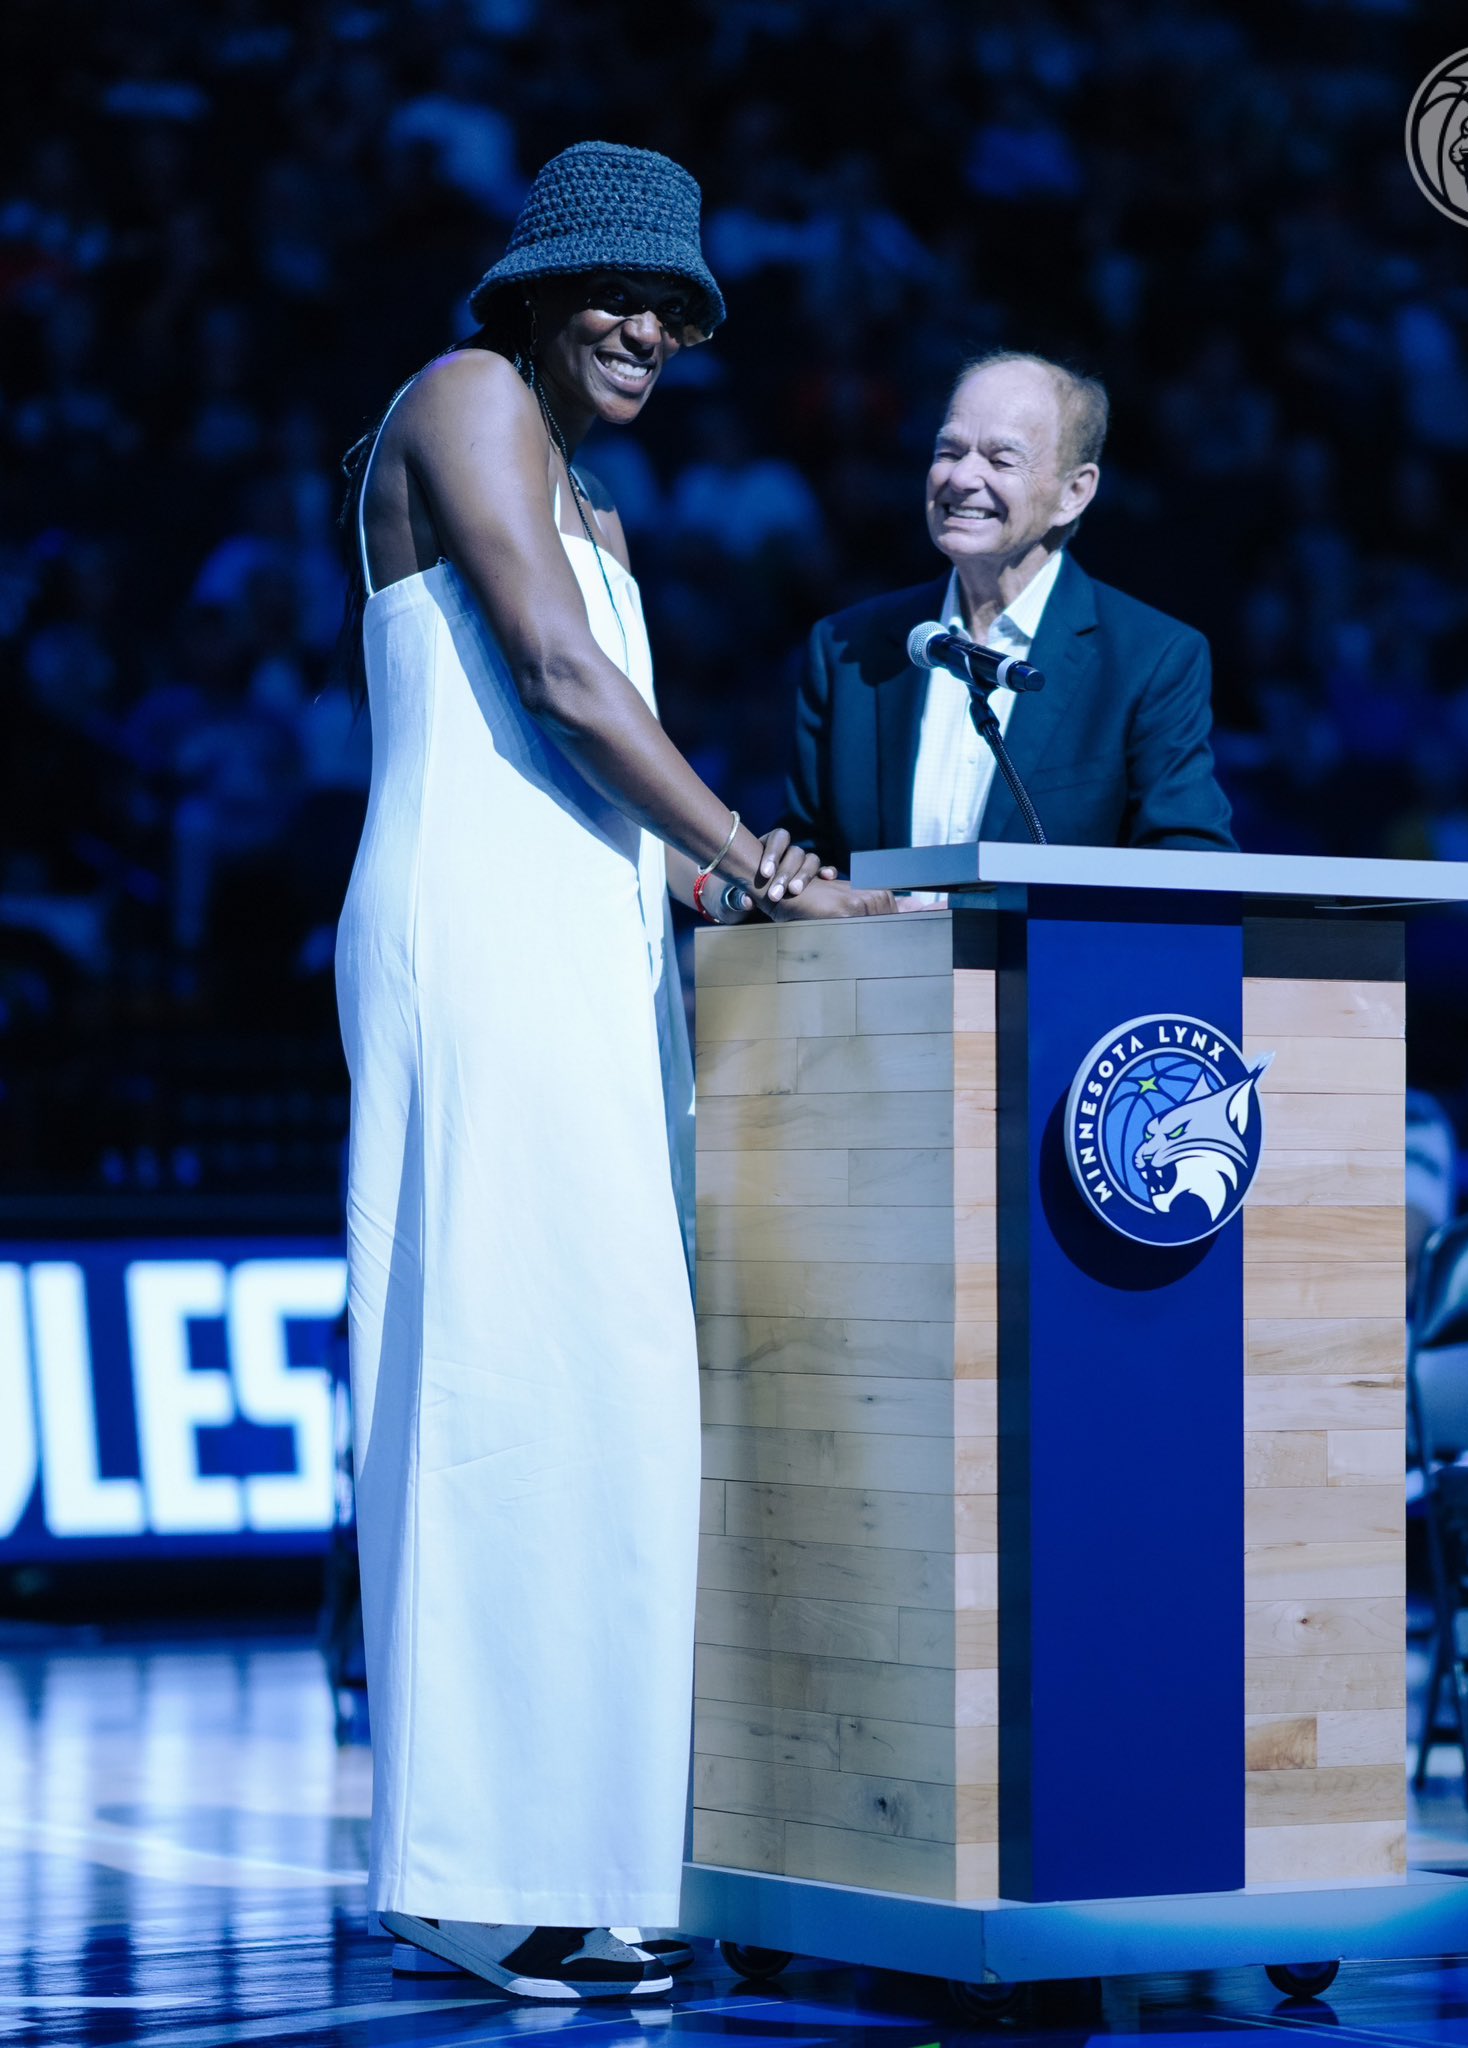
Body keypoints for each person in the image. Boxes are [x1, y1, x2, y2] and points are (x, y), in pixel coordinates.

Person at [335, 141, 893, 2005]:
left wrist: (761, 890)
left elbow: (607, 781)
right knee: (493, 1372)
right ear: (537, 290)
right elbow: (564, 686)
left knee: (614, 1383)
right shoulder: (463, 396)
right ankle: (465, 1865)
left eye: (676, 301)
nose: (648, 320)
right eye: (617, 287)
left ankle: (596, 1848)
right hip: (478, 946)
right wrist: (745, 850)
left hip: (587, 952)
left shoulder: (603, 505)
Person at [782, 350, 1235, 868]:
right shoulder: (846, 649)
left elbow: (1191, 866)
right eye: (949, 451)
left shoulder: (1150, 659)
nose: (961, 478)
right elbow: (808, 856)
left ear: (1074, 492)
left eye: (1001, 460)